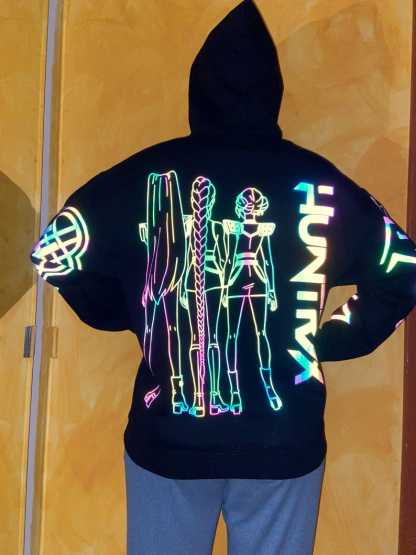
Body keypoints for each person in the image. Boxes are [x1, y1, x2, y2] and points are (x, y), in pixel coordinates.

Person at [29, 1, 416, 554]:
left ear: (199, 90)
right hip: (282, 440)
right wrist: (327, 340)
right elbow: (402, 270)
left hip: (171, 437)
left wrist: (122, 312)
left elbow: (54, 253)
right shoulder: (318, 183)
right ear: (272, 93)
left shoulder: (140, 176)